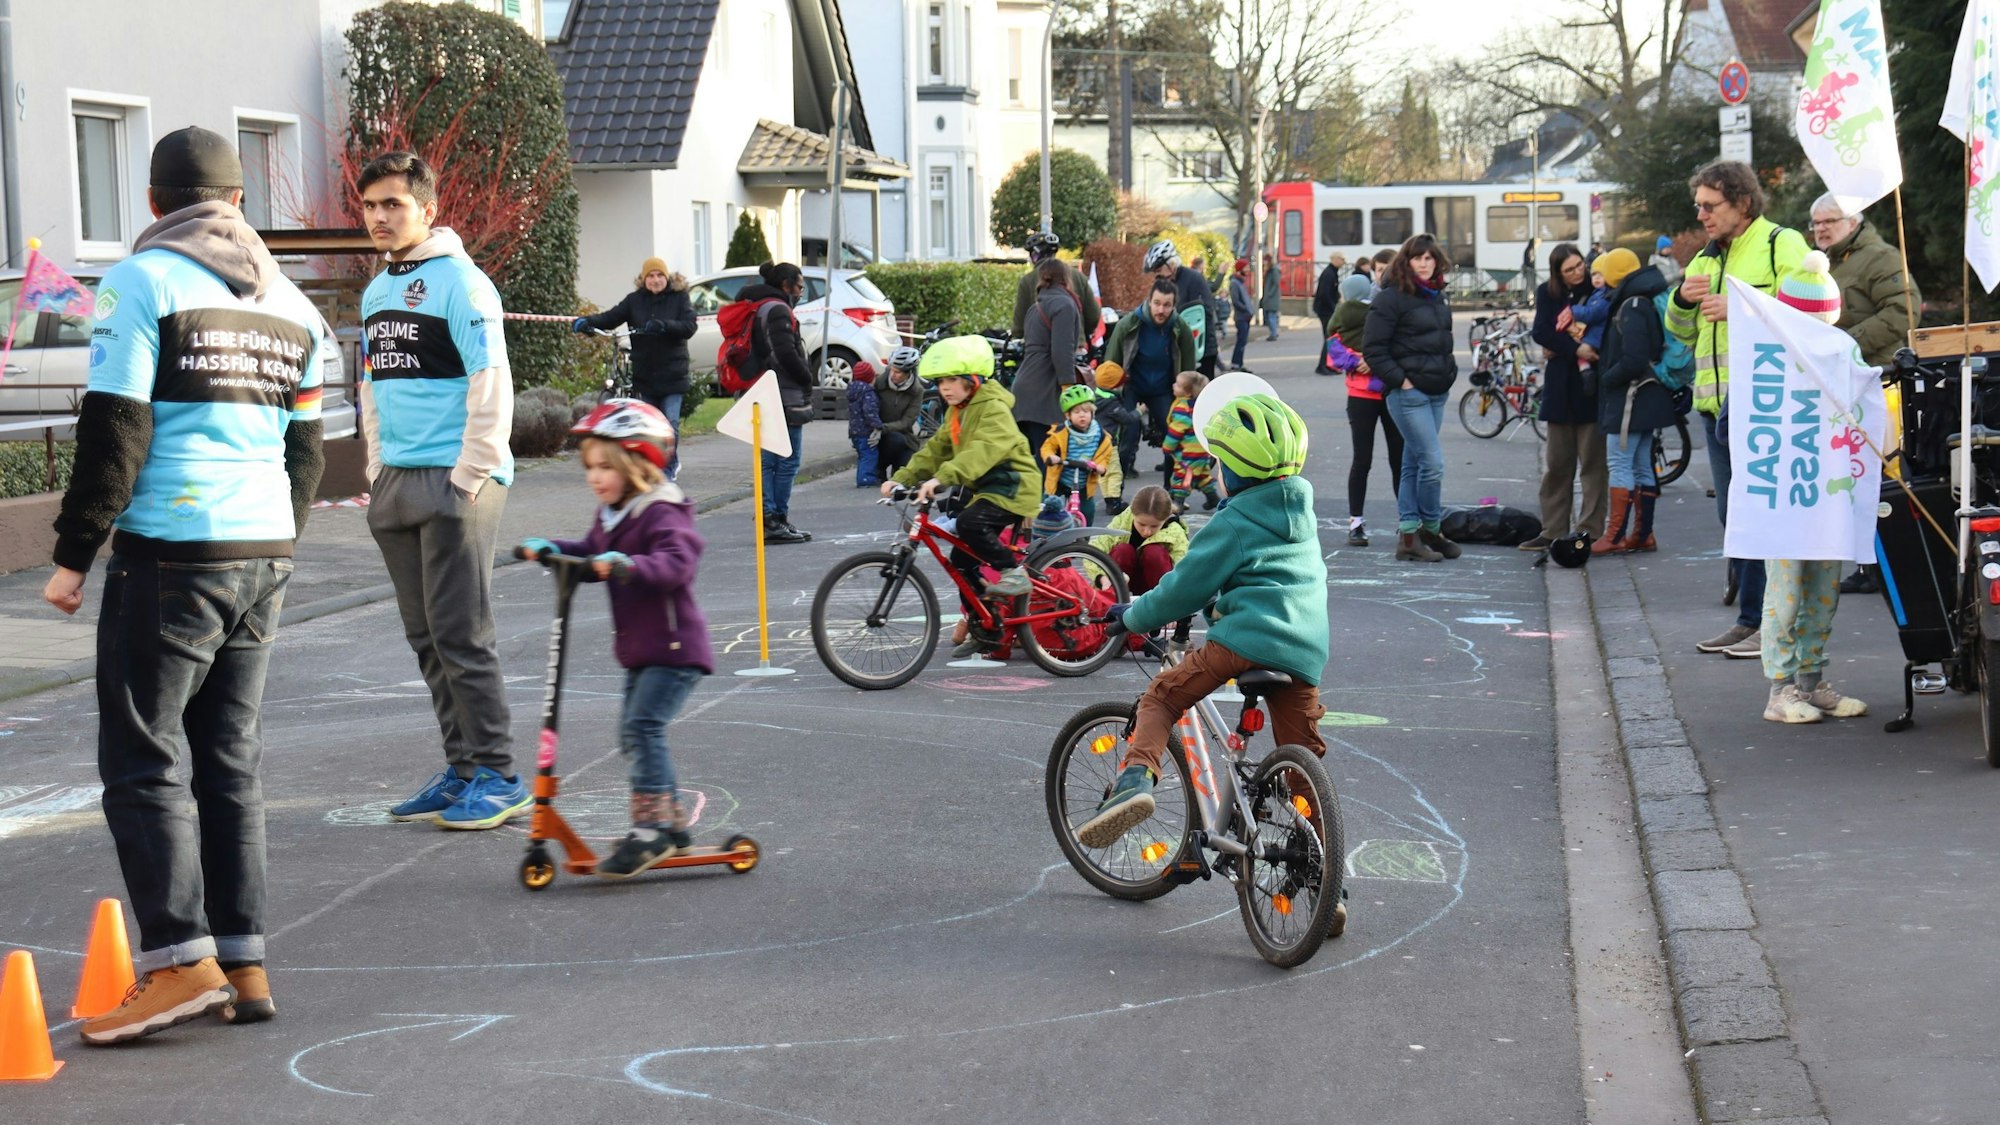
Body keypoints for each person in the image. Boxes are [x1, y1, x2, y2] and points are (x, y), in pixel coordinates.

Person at [42, 127, 326, 1044]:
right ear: (238, 202)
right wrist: (275, 537)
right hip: (261, 548)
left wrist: (73, 555)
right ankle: (241, 958)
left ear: (158, 202)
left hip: (172, 548)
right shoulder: (291, 302)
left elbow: (116, 428)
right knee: (228, 758)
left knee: (142, 755)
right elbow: (308, 449)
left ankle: (177, 963)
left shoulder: (142, 280)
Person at [1076, 394, 1329, 854]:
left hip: (1246, 641)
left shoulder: (1233, 521)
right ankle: (1319, 870)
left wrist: (1133, 616)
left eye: (1217, 462)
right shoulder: (1302, 515)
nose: (1214, 471)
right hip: (1305, 649)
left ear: (1233, 471)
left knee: (1162, 696)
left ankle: (1134, 783)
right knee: (1302, 763)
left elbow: (1183, 588)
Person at [358, 151, 527, 831]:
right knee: (425, 635)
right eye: (369, 205)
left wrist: (469, 474)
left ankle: (500, 773)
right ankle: (463, 770)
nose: (378, 217)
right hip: (396, 480)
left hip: (456, 478)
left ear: (427, 209)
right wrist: (375, 469)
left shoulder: (463, 284)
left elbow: (492, 383)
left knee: (462, 634)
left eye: (392, 204)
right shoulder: (376, 291)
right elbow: (370, 387)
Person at [518, 400, 714, 874]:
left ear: (637, 463)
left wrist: (631, 566)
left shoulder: (662, 511)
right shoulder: (612, 515)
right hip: (642, 652)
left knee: (641, 729)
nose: (593, 476)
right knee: (635, 734)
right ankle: (672, 829)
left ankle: (649, 836)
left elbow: (677, 562)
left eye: (605, 466)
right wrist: (553, 550)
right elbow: (590, 553)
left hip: (675, 650)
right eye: (589, 467)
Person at [1669, 161, 1810, 658]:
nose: (1702, 215)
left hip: (1765, 404)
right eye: (1699, 206)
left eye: (1711, 206)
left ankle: (1766, 623)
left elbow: (1809, 307)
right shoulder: (1706, 259)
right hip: (1715, 408)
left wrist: (1742, 306)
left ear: (1743, 203)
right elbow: (1682, 335)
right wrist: (1682, 302)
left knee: (1762, 517)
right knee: (1736, 518)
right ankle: (1753, 621)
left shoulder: (1780, 242)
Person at [882, 336, 1043, 658]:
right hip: (987, 488)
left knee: (970, 522)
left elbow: (982, 451)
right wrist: (901, 479)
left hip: (1012, 484)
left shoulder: (993, 407)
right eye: (941, 381)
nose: (945, 388)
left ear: (973, 380)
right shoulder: (957, 411)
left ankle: (1014, 573)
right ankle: (985, 626)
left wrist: (942, 478)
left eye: (953, 380)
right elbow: (935, 450)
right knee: (961, 561)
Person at [1760, 255, 1869, 722]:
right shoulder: (1766, 355)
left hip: (1827, 494)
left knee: (1824, 591)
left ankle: (1810, 682)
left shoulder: (1843, 348)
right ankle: (1780, 691)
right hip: (1785, 497)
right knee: (1784, 595)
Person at [1811, 193, 1921, 595]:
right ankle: (1869, 562)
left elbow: (1903, 312)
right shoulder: (1826, 262)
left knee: (1878, 474)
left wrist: (1846, 344)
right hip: (1844, 384)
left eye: (1830, 221)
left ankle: (1885, 564)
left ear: (1853, 222)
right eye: (1817, 223)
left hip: (1878, 382)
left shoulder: (1880, 257)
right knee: (1854, 476)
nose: (1821, 228)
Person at [1364, 233, 1460, 563]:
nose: (1423, 263)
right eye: (1417, 257)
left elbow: (1443, 341)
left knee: (1413, 463)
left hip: (1436, 392)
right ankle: (1430, 528)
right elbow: (1373, 348)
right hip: (1409, 394)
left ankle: (1409, 536)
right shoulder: (1391, 298)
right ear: (1406, 261)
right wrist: (1401, 381)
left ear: (1437, 261)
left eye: (1429, 258)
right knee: (1432, 464)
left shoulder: (1437, 296)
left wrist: (1449, 372)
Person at [572, 256, 697, 479]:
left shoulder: (679, 299)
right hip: (646, 374)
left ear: (667, 278)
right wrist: (588, 322)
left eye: (660, 275)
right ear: (643, 279)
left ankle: (668, 468)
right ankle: (652, 469)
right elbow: (611, 317)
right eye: (651, 276)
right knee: (648, 426)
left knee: (670, 425)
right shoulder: (634, 301)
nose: (655, 280)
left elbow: (689, 326)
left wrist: (664, 326)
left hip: (672, 374)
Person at [1589, 248, 1674, 554]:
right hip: (1645, 396)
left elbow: (1633, 357)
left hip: (1630, 397)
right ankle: (1642, 534)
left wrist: (1607, 377)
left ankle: (1614, 535)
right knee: (1640, 465)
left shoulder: (1631, 304)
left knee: (1620, 463)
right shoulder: (1643, 299)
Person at [1526, 243, 1609, 551]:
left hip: (1590, 388)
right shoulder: (1549, 292)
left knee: (1593, 465)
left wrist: (1559, 345)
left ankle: (1590, 531)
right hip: (1561, 388)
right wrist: (1575, 348)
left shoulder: (1597, 287)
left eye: (1579, 266)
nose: (1578, 273)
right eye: (1569, 270)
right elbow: (1542, 332)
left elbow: (1604, 322)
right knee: (1557, 465)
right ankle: (1552, 529)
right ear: (1557, 273)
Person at [735, 261, 817, 544]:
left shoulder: (761, 305)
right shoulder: (777, 309)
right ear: (786, 286)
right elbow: (783, 352)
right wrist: (807, 377)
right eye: (800, 286)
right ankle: (774, 518)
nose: (801, 292)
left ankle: (771, 518)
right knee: (787, 460)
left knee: (770, 460)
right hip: (782, 393)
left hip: (764, 392)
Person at [1332, 272, 1402, 547]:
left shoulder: (1382, 312)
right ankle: (1356, 522)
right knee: (1363, 460)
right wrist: (1367, 361)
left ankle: (1406, 522)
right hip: (1363, 395)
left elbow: (1398, 345)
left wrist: (1368, 361)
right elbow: (1332, 352)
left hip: (1385, 392)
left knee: (1399, 460)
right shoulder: (1353, 314)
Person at [1104, 279, 1199, 473]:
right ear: (1149, 301)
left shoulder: (1181, 329)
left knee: (1173, 431)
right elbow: (1110, 364)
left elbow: (1190, 372)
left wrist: (1189, 401)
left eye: (1167, 305)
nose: (1161, 310)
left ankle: (1172, 492)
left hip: (1162, 389)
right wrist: (1109, 396)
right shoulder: (1127, 325)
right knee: (1128, 435)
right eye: (1156, 303)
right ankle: (1117, 489)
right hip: (1132, 386)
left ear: (1174, 306)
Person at [1014, 257, 1083, 451]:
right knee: (1051, 459)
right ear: (1066, 279)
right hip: (1045, 393)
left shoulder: (1034, 308)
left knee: (1032, 461)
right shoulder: (1064, 305)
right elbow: (1061, 352)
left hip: (1023, 390)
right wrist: (1069, 390)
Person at [1090, 485, 1189, 596]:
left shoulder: (1175, 530)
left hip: (1158, 587)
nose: (1146, 531)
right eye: (1141, 524)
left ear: (1165, 518)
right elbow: (1093, 550)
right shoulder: (1123, 520)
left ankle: (1162, 601)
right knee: (1123, 550)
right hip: (1123, 581)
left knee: (1154, 552)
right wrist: (1102, 577)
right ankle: (1114, 597)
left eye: (1154, 526)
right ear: (1133, 514)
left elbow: (1184, 567)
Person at [1143, 239, 1221, 377]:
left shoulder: (1193, 279)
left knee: (1201, 394)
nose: (1157, 275)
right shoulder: (1162, 284)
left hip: (1201, 350)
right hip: (1175, 351)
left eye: (1159, 270)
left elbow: (1205, 312)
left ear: (1172, 264)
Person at [1040, 384, 1113, 523]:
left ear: (1092, 413)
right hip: (1061, 477)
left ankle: (1084, 539)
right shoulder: (1061, 431)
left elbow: (1104, 454)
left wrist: (1101, 467)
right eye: (1077, 412)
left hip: (1084, 480)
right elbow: (1047, 446)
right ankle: (1043, 532)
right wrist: (1050, 457)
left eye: (1086, 411)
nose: (1082, 415)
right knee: (1047, 505)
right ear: (1068, 415)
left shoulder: (1100, 435)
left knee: (1089, 510)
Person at [1010, 231, 1100, 338]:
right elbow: (1093, 316)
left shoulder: (1027, 281)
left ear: (1035, 254)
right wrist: (1080, 334)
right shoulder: (1078, 277)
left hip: (1041, 350)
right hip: (1075, 347)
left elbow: (1019, 326)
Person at [1163, 371, 1219, 512]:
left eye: (1178, 385)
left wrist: (1167, 446)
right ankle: (1213, 499)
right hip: (1201, 450)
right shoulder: (1199, 406)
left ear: (1187, 393)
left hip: (1188, 452)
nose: (1173, 385)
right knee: (1201, 476)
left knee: (1182, 476)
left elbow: (1176, 431)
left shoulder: (1183, 409)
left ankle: (1178, 504)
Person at [873, 345, 925, 479]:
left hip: (903, 435)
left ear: (908, 373)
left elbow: (907, 422)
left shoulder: (917, 391)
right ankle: (880, 468)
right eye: (892, 370)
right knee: (894, 440)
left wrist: (883, 428)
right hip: (879, 436)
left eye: (898, 372)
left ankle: (897, 468)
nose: (893, 374)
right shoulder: (880, 383)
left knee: (904, 468)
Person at [848, 366, 884, 487]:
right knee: (869, 455)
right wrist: (878, 425)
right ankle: (866, 479)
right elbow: (870, 411)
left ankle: (862, 476)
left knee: (862, 455)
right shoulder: (868, 392)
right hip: (865, 431)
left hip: (854, 431)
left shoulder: (852, 390)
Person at [1312, 254, 1345, 372]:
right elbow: (1325, 293)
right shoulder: (1329, 274)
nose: (1344, 262)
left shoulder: (1332, 272)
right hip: (1325, 310)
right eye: (1342, 259)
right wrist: (1332, 308)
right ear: (1335, 259)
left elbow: (1333, 291)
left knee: (1330, 337)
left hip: (1325, 309)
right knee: (1328, 337)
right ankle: (1322, 366)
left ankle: (1328, 365)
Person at [1227, 259, 1254, 371]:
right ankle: (1236, 364)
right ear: (1240, 269)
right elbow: (1236, 301)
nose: (1248, 270)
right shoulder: (1235, 283)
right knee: (1241, 341)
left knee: (1243, 340)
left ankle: (1239, 363)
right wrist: (1246, 310)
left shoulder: (1241, 282)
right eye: (1246, 267)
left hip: (1245, 316)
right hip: (1241, 317)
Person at [1261, 258, 1283, 341]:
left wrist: (1269, 294)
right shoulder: (1271, 271)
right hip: (1270, 298)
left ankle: (1273, 334)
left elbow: (1275, 283)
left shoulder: (1273, 271)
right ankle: (1274, 332)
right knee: (1271, 316)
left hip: (1272, 298)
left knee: (1271, 316)